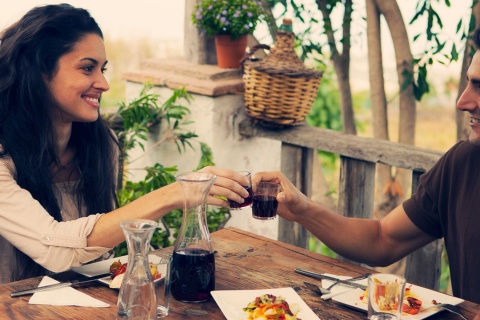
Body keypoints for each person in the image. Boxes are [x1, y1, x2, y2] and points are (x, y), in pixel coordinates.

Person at [0, 4, 250, 284]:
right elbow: (56, 251)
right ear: (39, 72)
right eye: (87, 68)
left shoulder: (101, 145)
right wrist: (176, 193)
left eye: (102, 69)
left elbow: (95, 253)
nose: (104, 83)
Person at [253, 28, 480, 309]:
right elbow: (382, 240)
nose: (463, 102)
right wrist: (303, 210)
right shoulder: (463, 164)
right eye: (469, 83)